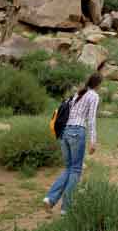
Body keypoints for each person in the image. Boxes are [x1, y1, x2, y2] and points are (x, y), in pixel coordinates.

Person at [43, 72, 102, 215]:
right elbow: (91, 119)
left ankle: (50, 199)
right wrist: (93, 141)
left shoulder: (78, 94)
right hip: (77, 132)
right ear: (98, 84)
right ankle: (66, 208)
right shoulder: (93, 95)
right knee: (75, 170)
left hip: (64, 133)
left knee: (69, 168)